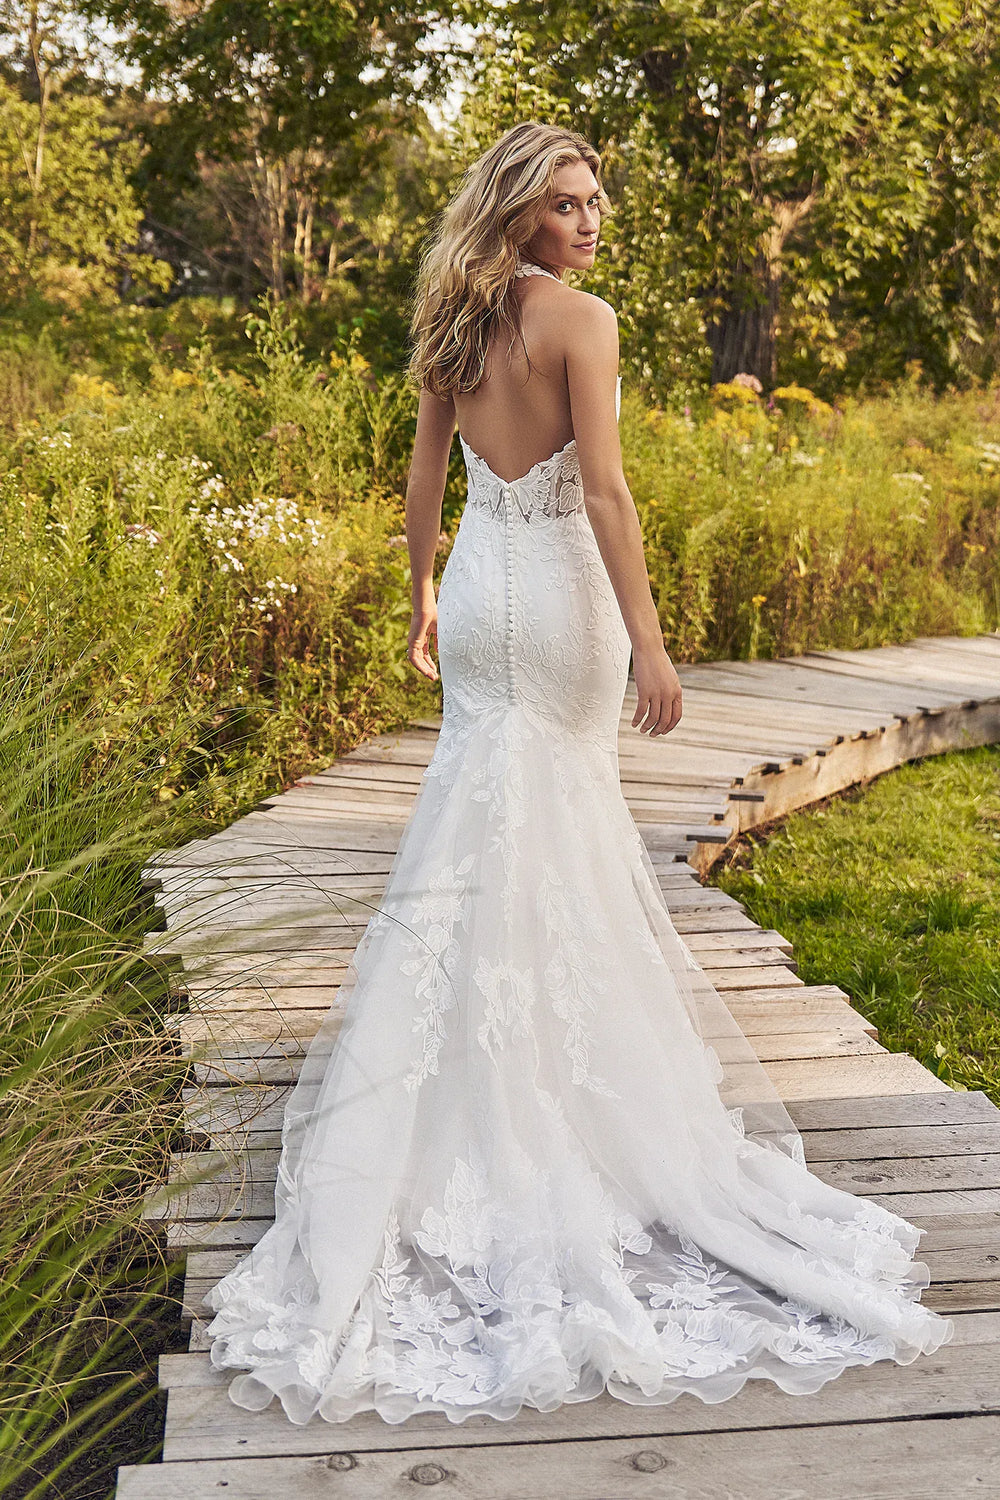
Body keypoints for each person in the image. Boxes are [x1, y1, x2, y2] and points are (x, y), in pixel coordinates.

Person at [202, 121, 955, 1426]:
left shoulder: (452, 312)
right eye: (566, 202)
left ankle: (455, 1109)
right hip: (557, 599)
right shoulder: (582, 324)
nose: (592, 220)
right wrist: (655, 645)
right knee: (557, 821)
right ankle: (556, 1106)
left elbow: (426, 469)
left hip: (488, 590)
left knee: (480, 817)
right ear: (519, 211)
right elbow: (603, 493)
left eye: (596, 198)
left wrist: (424, 593)